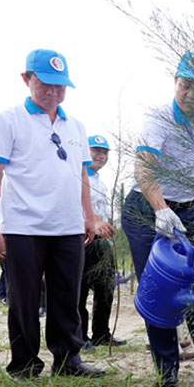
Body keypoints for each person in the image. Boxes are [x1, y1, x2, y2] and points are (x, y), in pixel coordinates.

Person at [0, 48, 105, 379]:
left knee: (67, 296)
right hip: (23, 227)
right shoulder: (7, 120)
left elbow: (81, 176)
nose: (52, 92)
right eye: (44, 83)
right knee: (24, 299)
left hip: (67, 227)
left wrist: (88, 217)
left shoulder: (75, 125)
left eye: (59, 86)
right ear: (27, 79)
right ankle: (24, 365)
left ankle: (68, 361)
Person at [120, 52, 194, 387]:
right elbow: (145, 166)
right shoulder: (159, 118)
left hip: (188, 209)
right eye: (183, 84)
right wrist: (161, 208)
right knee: (159, 288)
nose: (188, 92)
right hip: (147, 208)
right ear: (175, 83)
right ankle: (167, 373)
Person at [79, 135, 126, 348]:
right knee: (79, 290)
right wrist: (95, 222)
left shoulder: (100, 181)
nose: (101, 155)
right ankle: (80, 337)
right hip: (81, 239)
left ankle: (101, 333)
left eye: (105, 152)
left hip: (101, 242)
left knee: (106, 287)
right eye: (96, 150)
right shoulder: (77, 176)